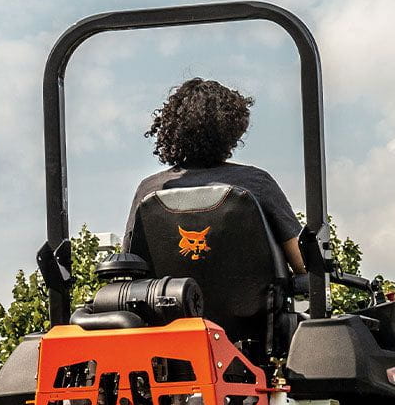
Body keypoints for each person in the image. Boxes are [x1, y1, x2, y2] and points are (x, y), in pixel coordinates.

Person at [123, 78, 306, 273]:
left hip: (167, 293)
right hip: (250, 294)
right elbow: (302, 264)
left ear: (172, 129)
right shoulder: (257, 183)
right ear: (234, 129)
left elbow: (127, 263)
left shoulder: (149, 189)